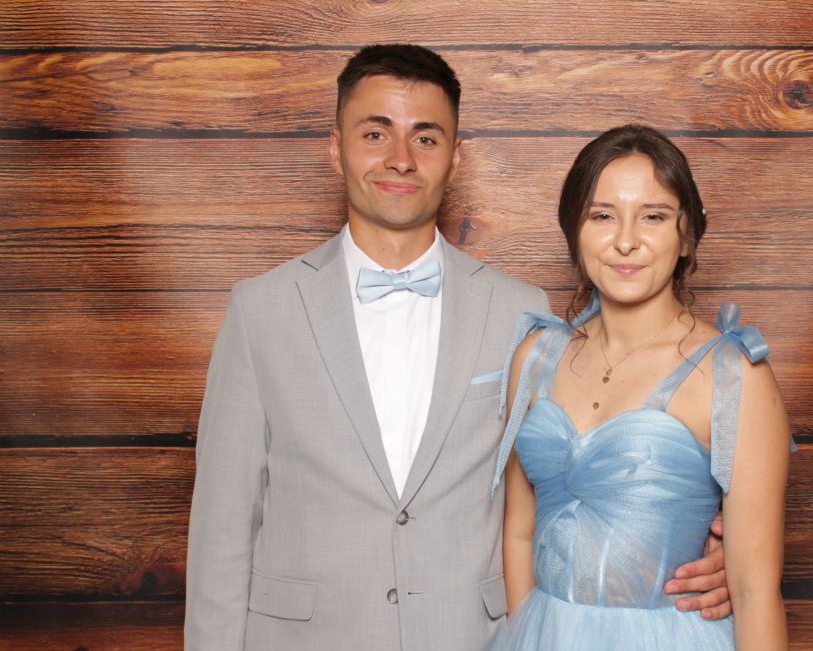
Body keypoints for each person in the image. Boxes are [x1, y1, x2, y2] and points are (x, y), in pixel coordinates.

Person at [185, 46, 732, 651]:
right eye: (375, 133)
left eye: (425, 138)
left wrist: (709, 541)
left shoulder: (520, 313)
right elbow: (221, 531)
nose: (400, 158)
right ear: (336, 147)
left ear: (456, 156)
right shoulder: (260, 310)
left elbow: (588, 470)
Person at [494, 125, 791, 650]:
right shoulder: (535, 357)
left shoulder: (731, 374)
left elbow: (754, 591)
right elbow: (519, 533)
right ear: (574, 230)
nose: (626, 240)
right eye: (602, 216)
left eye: (652, 216)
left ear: (687, 235)